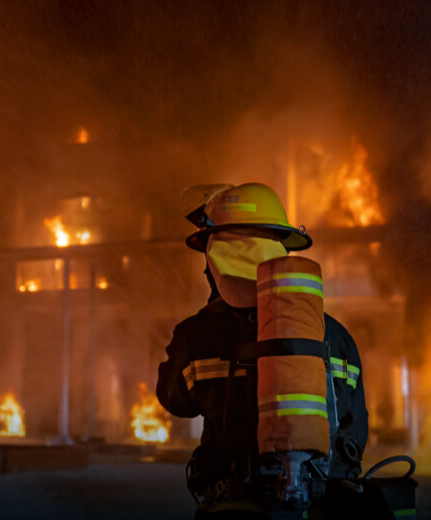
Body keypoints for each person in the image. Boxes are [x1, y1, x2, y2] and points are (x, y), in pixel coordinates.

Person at [156, 183, 368, 519]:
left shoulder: (196, 335)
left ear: (216, 258)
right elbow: (354, 433)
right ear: (278, 249)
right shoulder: (336, 335)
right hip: (322, 508)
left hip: (233, 508)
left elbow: (174, 400)